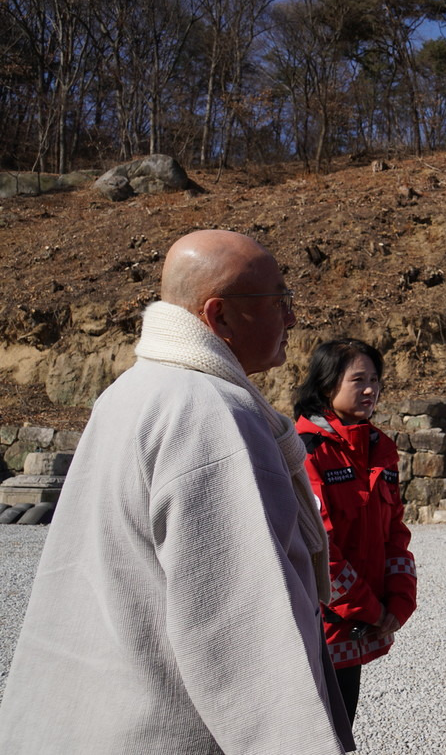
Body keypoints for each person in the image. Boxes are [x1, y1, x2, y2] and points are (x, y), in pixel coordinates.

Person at [0, 230, 354, 753]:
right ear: (220, 316)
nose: (293, 317)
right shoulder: (210, 414)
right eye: (278, 301)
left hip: (93, 714)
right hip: (167, 727)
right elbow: (240, 621)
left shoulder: (130, 391)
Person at [295, 338, 418, 723]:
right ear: (326, 385)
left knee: (342, 726)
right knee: (312, 733)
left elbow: (394, 531)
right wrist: (372, 610)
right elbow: (319, 549)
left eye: (375, 379)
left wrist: (399, 601)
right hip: (318, 623)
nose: (370, 389)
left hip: (358, 625)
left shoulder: (380, 448)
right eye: (358, 380)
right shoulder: (305, 451)